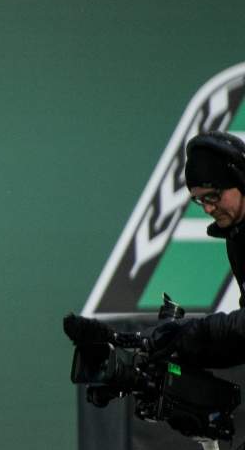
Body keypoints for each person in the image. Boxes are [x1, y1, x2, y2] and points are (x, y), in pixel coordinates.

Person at [66, 131, 245, 366]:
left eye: (213, 196)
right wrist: (166, 347)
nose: (208, 209)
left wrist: (192, 332)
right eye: (200, 200)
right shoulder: (236, 238)